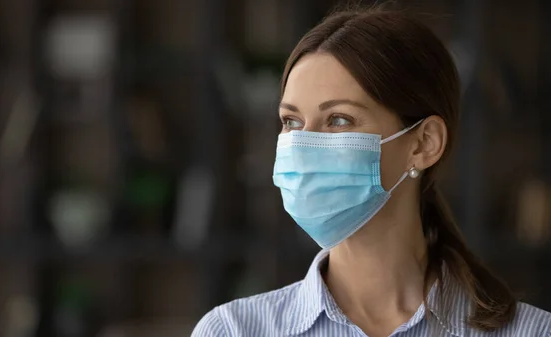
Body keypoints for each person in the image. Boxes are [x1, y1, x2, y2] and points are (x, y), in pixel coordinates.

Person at [192, 6, 551, 337]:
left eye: (339, 119)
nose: (304, 147)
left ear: (424, 143)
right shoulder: (233, 330)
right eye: (292, 121)